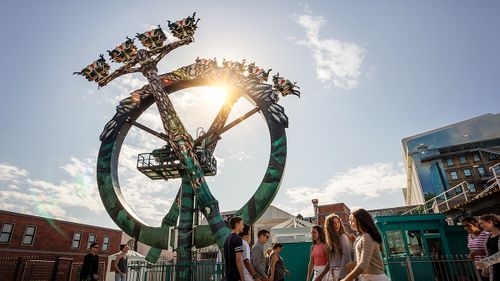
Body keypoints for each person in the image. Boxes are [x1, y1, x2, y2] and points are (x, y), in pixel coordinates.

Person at [341, 209, 390, 281]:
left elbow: (363, 264)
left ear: (360, 221)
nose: (350, 222)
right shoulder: (362, 236)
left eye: (352, 220)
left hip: (375, 278)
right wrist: (353, 264)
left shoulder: (367, 237)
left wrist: (345, 279)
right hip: (369, 277)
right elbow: (367, 260)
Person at [324, 214, 352, 280]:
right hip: (332, 272)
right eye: (334, 223)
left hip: (341, 271)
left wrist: (341, 276)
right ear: (329, 226)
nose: (337, 225)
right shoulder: (329, 240)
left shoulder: (343, 237)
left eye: (338, 222)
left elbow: (346, 256)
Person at [462, 216, 489, 281]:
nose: (466, 228)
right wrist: (471, 255)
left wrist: (476, 252)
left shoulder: (486, 234)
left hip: (489, 266)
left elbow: (493, 250)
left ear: (476, 224)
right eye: (464, 226)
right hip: (478, 266)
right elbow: (473, 250)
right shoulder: (469, 237)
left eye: (468, 225)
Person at [476, 214, 500, 281]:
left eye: (482, 223)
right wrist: (486, 266)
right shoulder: (488, 237)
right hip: (495, 270)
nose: (480, 226)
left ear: (490, 222)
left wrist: (486, 262)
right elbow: (489, 254)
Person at [224, 216, 245, 281]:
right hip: (235, 277)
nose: (243, 226)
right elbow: (238, 260)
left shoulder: (227, 239)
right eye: (242, 224)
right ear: (237, 224)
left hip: (228, 276)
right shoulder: (238, 239)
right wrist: (243, 279)